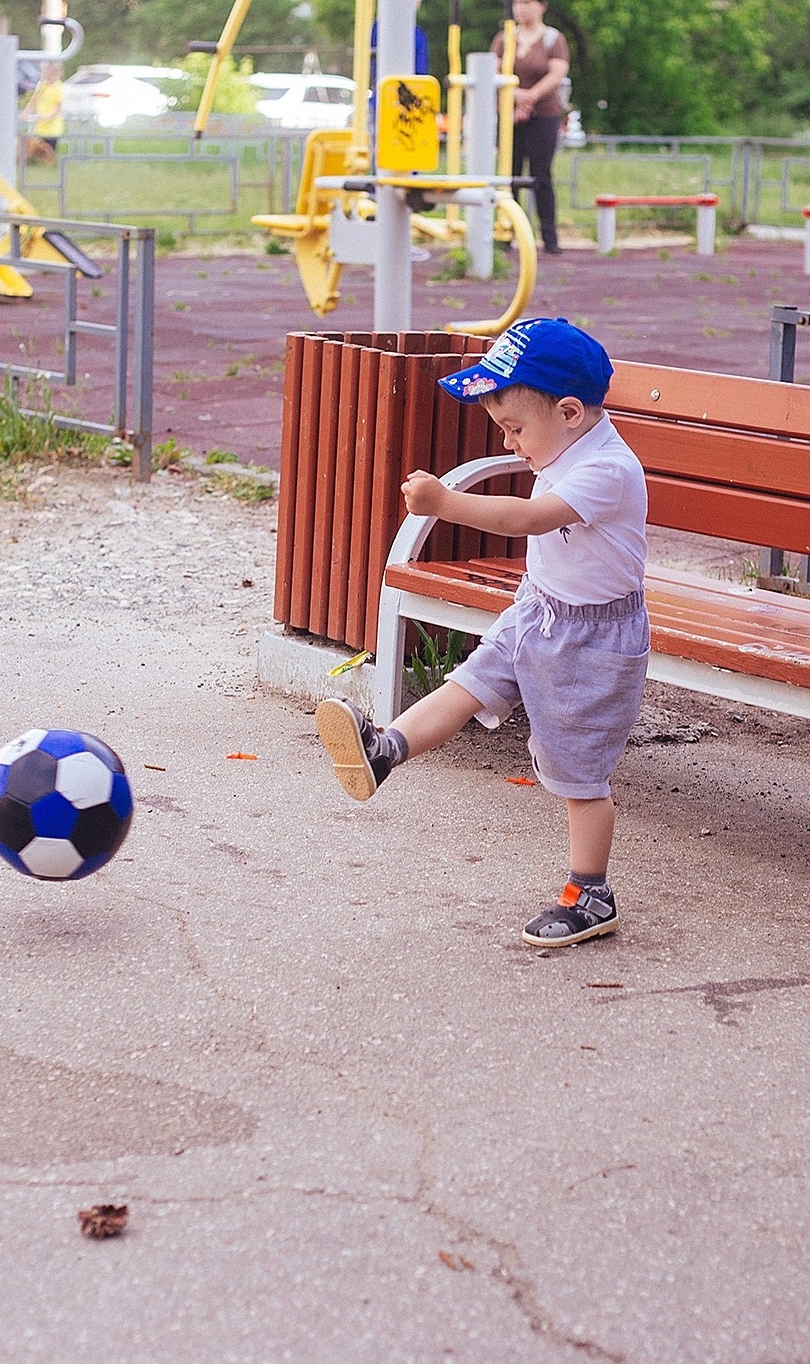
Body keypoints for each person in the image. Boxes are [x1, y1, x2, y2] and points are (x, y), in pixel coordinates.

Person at [314, 318, 648, 948]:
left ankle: (591, 893)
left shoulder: (608, 469)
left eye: (515, 429)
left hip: (593, 641)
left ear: (570, 412)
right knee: (467, 684)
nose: (510, 443)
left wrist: (446, 503)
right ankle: (384, 750)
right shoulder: (564, 445)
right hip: (538, 610)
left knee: (578, 775)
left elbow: (530, 517)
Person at [494, 0, 570, 254]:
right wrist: (516, 96)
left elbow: (557, 73)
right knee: (508, 174)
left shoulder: (553, 39)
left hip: (543, 115)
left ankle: (549, 238)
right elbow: (494, 72)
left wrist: (530, 97)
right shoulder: (504, 38)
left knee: (541, 175)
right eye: (517, 3)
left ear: (541, 6)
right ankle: (505, 233)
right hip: (509, 115)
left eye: (526, 2)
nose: (520, 8)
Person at [26, 62, 65, 153]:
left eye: (51, 74)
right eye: (46, 73)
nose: (48, 76)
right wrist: (27, 112)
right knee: (38, 150)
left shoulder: (59, 87)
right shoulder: (42, 85)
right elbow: (34, 101)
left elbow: (59, 107)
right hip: (40, 126)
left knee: (49, 152)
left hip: (53, 127)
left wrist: (48, 117)